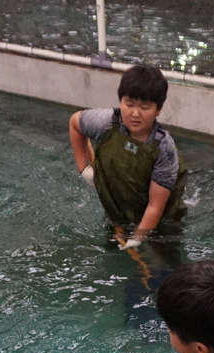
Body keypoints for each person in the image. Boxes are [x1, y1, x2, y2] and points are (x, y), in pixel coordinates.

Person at [68, 65, 186, 250]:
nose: (135, 113)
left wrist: (138, 238)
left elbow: (155, 206)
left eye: (145, 107)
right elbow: (75, 123)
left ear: (158, 109)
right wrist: (85, 170)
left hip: (160, 222)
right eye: (129, 104)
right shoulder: (105, 123)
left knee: (160, 262)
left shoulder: (164, 148)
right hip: (118, 211)